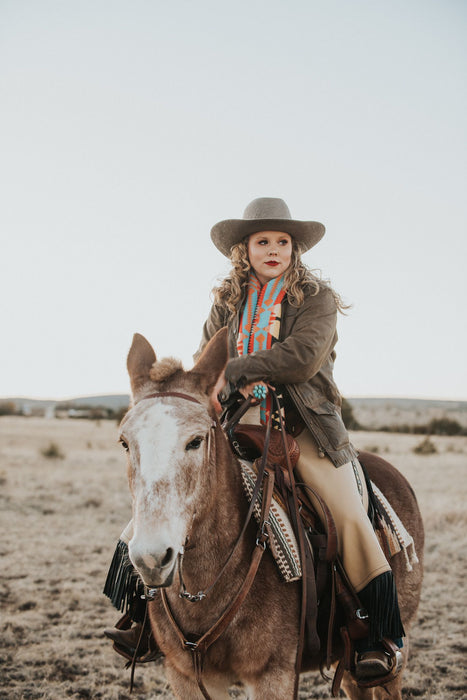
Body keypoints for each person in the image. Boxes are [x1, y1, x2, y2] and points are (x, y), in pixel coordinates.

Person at [104, 197, 404, 682]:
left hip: (301, 430)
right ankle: (142, 617)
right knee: (160, 503)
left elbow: (303, 358)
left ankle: (379, 634)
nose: (273, 250)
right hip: (233, 428)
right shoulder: (227, 303)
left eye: (282, 242)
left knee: (347, 513)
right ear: (244, 249)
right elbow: (208, 362)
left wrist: (238, 368)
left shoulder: (316, 300)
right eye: (263, 241)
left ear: (294, 249)